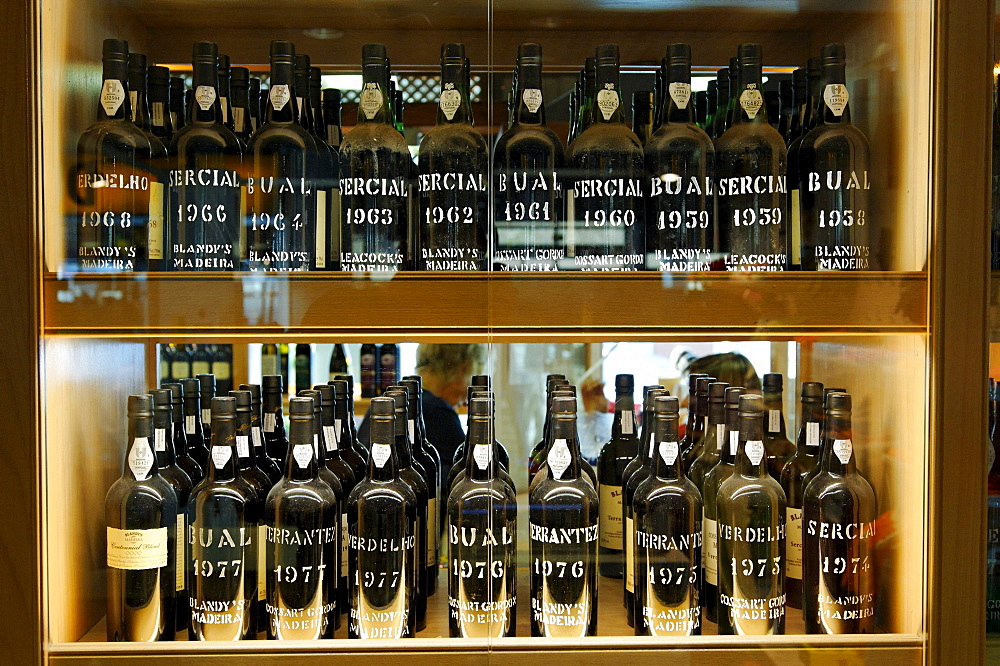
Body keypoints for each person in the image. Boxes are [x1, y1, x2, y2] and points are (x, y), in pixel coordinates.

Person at [358, 343, 484, 502]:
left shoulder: (387, 400)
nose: (467, 396)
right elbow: (468, 481)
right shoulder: (439, 412)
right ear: (463, 369)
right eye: (472, 376)